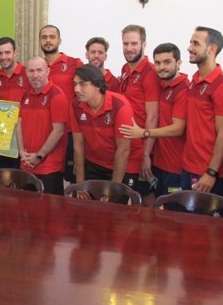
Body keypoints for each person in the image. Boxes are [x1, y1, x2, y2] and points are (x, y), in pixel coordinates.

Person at [119, 43, 189, 197]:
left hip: (175, 166)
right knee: (152, 205)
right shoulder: (162, 85)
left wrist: (143, 133)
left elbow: (178, 128)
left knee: (173, 212)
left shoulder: (183, 89)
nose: (161, 67)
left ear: (179, 63)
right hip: (158, 160)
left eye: (167, 62)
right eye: (157, 63)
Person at [181, 26, 223, 196]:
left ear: (212, 49)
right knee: (185, 219)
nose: (189, 48)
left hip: (207, 172)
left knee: (205, 222)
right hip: (188, 166)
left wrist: (211, 172)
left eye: (195, 44)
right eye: (191, 42)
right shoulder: (195, 80)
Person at [69, 64, 135, 187]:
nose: (76, 89)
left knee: (114, 204)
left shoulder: (120, 105)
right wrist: (80, 183)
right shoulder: (75, 105)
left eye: (83, 84)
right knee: (85, 203)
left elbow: (123, 150)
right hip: (93, 161)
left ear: (98, 85)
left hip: (121, 162)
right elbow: (78, 144)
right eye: (75, 84)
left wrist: (113, 189)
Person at [119, 24, 161, 199]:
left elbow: (153, 115)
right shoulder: (125, 69)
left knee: (142, 202)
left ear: (144, 45)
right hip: (124, 145)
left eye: (134, 43)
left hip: (140, 148)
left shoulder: (150, 72)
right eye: (125, 43)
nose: (129, 48)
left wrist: (145, 154)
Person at [16, 56, 69, 194]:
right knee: (26, 211)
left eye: (39, 70)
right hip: (26, 165)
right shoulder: (25, 95)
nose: (35, 75)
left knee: (49, 213)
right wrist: (21, 152)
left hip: (48, 168)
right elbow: (19, 125)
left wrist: (39, 156)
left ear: (48, 71)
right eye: (31, 71)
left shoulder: (57, 95)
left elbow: (58, 131)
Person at [39, 24, 83, 182]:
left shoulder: (74, 63)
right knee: (49, 178)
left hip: (69, 132)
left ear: (59, 40)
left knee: (72, 180)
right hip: (44, 135)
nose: (48, 41)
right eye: (44, 37)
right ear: (39, 41)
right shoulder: (37, 67)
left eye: (52, 37)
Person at [0, 36, 28, 169]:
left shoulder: (28, 73)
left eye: (7, 52)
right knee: (4, 179)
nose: (4, 57)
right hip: (4, 139)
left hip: (25, 139)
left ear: (15, 53)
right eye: (0, 53)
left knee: (23, 181)